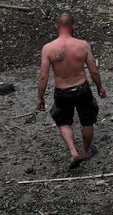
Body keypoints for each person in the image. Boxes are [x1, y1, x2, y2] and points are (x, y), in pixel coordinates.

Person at [37, 12, 107, 168]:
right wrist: (99, 86)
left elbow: (43, 76)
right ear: (74, 26)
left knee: (63, 121)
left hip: (62, 91)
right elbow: (93, 70)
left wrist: (40, 97)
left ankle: (74, 153)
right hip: (82, 88)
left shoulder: (48, 48)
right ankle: (87, 151)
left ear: (56, 26)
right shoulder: (83, 45)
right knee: (87, 120)